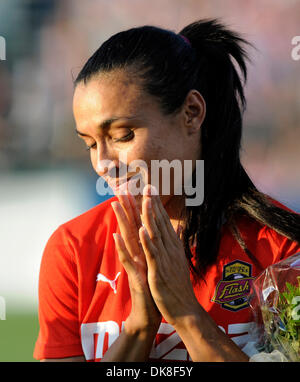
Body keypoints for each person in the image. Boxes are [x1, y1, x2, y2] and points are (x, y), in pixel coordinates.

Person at [33, 19, 300, 362]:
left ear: (192, 113)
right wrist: (140, 326)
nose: (103, 163)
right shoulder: (73, 250)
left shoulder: (282, 249)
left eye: (122, 135)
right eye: (90, 144)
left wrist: (187, 316)